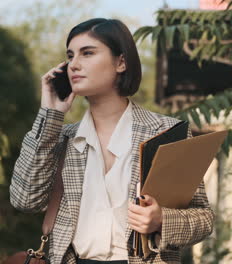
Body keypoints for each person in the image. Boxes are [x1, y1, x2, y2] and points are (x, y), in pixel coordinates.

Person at [9, 18, 214, 264]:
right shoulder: (60, 137)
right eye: (70, 55)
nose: (74, 64)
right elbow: (25, 200)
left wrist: (161, 219)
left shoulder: (166, 132)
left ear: (121, 62)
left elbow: (203, 219)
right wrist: (50, 113)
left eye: (87, 53)